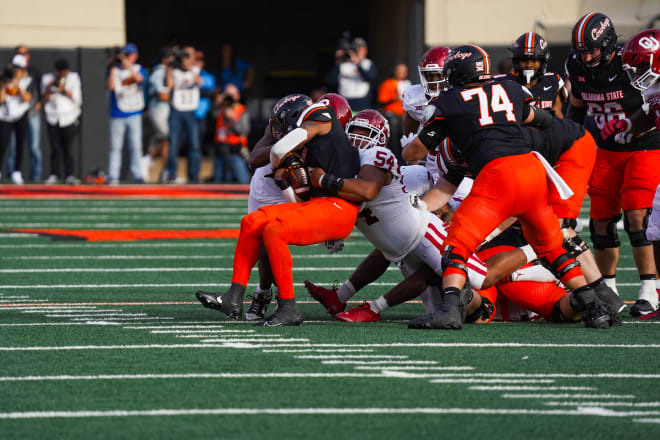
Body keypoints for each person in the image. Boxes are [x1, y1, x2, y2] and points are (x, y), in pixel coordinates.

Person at [402, 44, 616, 330]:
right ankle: (592, 306)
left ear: (456, 73)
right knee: (551, 246)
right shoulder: (510, 88)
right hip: (531, 170)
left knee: (456, 243)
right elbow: (539, 120)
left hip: (498, 177)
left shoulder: (450, 102)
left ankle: (449, 309)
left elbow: (413, 153)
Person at [305, 109, 532, 323]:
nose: (358, 139)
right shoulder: (345, 166)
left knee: (479, 278)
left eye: (366, 134)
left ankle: (540, 248)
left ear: (380, 139)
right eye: (354, 132)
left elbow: (367, 191)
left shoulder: (379, 157)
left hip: (425, 233)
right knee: (437, 307)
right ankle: (343, 298)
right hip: (399, 246)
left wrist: (325, 180)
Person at [195, 93, 361, 326]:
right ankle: (234, 296)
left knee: (275, 230)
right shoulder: (314, 146)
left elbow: (278, 150)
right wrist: (286, 181)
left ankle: (286, 304)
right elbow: (299, 194)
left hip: (338, 206)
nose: (279, 128)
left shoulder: (321, 116)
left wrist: (281, 161)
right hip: (318, 205)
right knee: (252, 222)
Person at [565, 13, 660, 317]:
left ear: (607, 44)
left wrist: (630, 126)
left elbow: (651, 108)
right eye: (582, 52)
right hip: (606, 148)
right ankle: (608, 287)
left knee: (637, 215)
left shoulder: (630, 61)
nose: (587, 57)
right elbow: (576, 110)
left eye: (592, 50)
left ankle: (649, 288)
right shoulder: (576, 66)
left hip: (645, 145)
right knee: (600, 221)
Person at [241, 92, 353, 322]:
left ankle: (279, 302)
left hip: (311, 190)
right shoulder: (297, 126)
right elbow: (254, 159)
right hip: (269, 181)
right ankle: (262, 293)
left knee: (273, 232)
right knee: (264, 233)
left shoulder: (336, 143)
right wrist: (285, 161)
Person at [107, 43, 147, 184]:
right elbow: (111, 86)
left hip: (134, 111)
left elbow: (138, 79)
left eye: (129, 55)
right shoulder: (114, 70)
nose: (127, 58)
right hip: (118, 113)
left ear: (135, 56)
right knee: (115, 147)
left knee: (136, 146)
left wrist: (126, 63)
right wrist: (113, 65)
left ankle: (138, 175)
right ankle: (113, 176)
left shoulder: (138, 68)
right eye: (125, 55)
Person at [502, 32, 568, 116]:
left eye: (534, 60)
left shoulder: (553, 81)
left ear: (543, 62)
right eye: (524, 60)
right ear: (516, 61)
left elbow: (558, 116)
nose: (529, 64)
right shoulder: (504, 84)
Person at [163, 46, 201, 183]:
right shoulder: (175, 71)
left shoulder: (195, 70)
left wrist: (189, 67)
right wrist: (169, 67)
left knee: (194, 145)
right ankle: (172, 173)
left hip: (191, 111)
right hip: (177, 110)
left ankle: (194, 175)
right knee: (173, 144)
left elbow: (199, 82)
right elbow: (169, 85)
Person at [41, 59, 82, 184]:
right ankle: (54, 174)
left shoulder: (74, 78)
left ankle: (69, 174)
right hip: (52, 117)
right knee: (54, 148)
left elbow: (78, 100)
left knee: (67, 148)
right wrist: (50, 86)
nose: (61, 73)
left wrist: (63, 90)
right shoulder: (47, 78)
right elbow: (44, 98)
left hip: (69, 117)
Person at [6, 45, 42, 182]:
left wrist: (38, 103)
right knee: (11, 147)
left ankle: (36, 176)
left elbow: (33, 94)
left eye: (25, 53)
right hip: (11, 113)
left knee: (34, 146)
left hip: (30, 112)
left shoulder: (33, 73)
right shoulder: (8, 72)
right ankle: (11, 174)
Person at [0, 54, 34, 184]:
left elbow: (27, 98)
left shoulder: (28, 79)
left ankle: (17, 172)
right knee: (2, 144)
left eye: (19, 68)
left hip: (21, 114)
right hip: (5, 114)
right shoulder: (4, 77)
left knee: (20, 144)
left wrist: (17, 85)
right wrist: (4, 84)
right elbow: (1, 99)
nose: (17, 70)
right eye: (15, 67)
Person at [144, 47, 174, 183]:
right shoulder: (158, 73)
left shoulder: (167, 71)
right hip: (158, 109)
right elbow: (163, 96)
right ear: (164, 59)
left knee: (167, 139)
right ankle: (148, 160)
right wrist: (176, 96)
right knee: (166, 139)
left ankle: (164, 171)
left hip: (164, 109)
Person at [212, 84, 250, 183]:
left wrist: (232, 118)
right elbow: (211, 117)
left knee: (242, 180)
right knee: (218, 180)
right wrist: (217, 102)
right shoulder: (221, 110)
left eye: (232, 96)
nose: (229, 99)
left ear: (237, 96)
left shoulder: (242, 111)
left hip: (236, 150)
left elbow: (244, 130)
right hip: (221, 150)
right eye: (227, 95)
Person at [328, 36, 377, 111]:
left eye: (359, 49)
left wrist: (357, 63)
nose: (356, 52)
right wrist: (338, 61)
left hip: (362, 105)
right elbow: (332, 81)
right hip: (344, 105)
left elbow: (370, 78)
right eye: (354, 49)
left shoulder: (368, 63)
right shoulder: (342, 65)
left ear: (365, 50)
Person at [377, 63, 411, 158]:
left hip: (405, 114)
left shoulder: (408, 84)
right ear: (395, 71)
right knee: (394, 125)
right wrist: (394, 98)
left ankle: (405, 156)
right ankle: (395, 156)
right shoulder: (387, 83)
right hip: (392, 114)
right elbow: (381, 102)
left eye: (404, 71)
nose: (402, 73)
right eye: (399, 70)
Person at [194, 51, 216, 160]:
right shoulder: (186, 74)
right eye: (195, 59)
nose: (197, 62)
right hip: (187, 114)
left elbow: (207, 90)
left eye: (200, 60)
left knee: (198, 142)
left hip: (202, 115)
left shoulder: (208, 76)